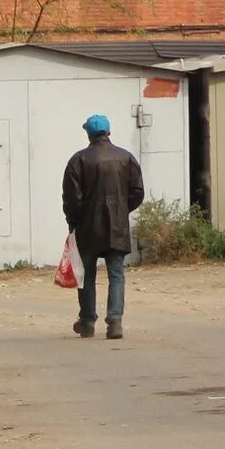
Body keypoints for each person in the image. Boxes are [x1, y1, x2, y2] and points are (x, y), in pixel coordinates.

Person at [60, 113, 144, 339]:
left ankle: (87, 322)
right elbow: (137, 192)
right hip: (117, 228)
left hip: (88, 229)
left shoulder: (78, 160)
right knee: (116, 274)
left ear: (88, 133)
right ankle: (114, 322)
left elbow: (71, 198)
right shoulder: (126, 158)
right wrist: (121, 212)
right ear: (108, 132)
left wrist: (73, 223)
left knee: (86, 275)